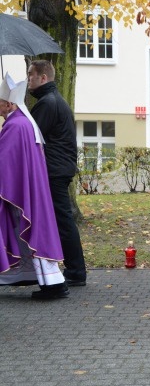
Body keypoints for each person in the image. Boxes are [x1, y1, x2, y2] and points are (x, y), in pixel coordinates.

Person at [0, 73, 69, 299]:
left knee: (32, 233)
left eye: (0, 103)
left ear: (10, 103)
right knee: (32, 233)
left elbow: (5, 161)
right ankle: (45, 280)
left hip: (23, 190)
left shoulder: (16, 125)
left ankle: (53, 286)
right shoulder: (23, 121)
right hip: (31, 189)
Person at [27, 60, 86, 287]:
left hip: (53, 171)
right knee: (62, 219)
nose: (28, 78)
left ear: (43, 78)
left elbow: (31, 138)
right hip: (59, 168)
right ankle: (73, 269)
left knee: (62, 220)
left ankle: (76, 271)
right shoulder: (54, 100)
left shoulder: (47, 104)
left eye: (31, 75)